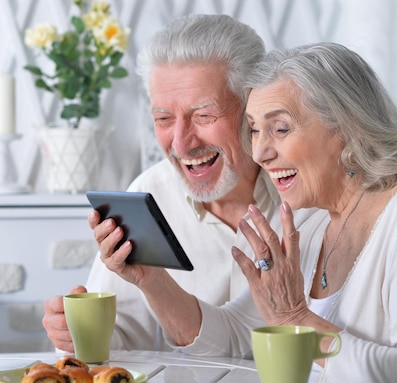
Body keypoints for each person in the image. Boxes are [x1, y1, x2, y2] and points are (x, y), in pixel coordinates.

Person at [153, 43, 397, 383]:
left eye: (280, 128)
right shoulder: (310, 221)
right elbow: (233, 338)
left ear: (346, 126)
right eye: (254, 130)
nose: (260, 152)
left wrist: (298, 320)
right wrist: (147, 277)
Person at [42, 14, 316, 353]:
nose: (182, 144)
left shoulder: (307, 194)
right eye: (164, 119)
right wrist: (77, 333)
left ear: (252, 109)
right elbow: (122, 340)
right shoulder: (148, 195)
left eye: (203, 116)